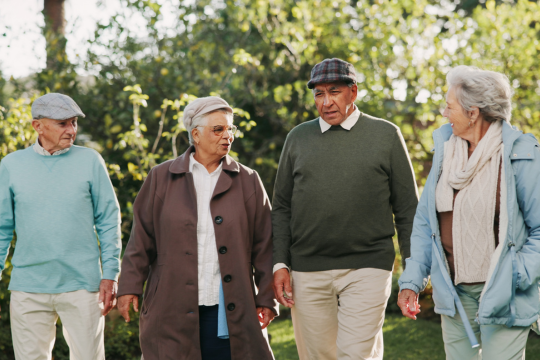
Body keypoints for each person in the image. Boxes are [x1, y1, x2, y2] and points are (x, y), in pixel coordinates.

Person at [272, 58, 418, 360]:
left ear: (353, 92)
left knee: (355, 355)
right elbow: (282, 207)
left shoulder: (385, 135)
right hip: (307, 268)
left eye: (334, 92)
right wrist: (280, 263)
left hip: (368, 266)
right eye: (319, 94)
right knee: (317, 356)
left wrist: (412, 272)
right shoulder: (297, 138)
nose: (326, 102)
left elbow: (407, 210)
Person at [116, 96, 277, 360]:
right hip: (171, 306)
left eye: (230, 129)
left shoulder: (248, 180)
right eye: (218, 129)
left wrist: (267, 298)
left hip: (229, 309)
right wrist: (130, 286)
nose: (228, 136)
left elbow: (265, 245)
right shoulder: (160, 176)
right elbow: (141, 238)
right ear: (196, 134)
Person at [398, 65, 540, 359]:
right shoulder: (446, 152)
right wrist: (412, 281)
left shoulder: (521, 153)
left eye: (449, 107)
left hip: (506, 293)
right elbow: (426, 224)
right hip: (454, 293)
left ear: (473, 112)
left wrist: (514, 275)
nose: (444, 114)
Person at [0, 93, 122, 359]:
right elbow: (1, 228)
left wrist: (110, 273)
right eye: (62, 123)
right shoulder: (11, 165)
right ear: (38, 126)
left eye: (74, 123)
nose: (72, 130)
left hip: (83, 285)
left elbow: (109, 219)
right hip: (28, 286)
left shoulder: (91, 161)